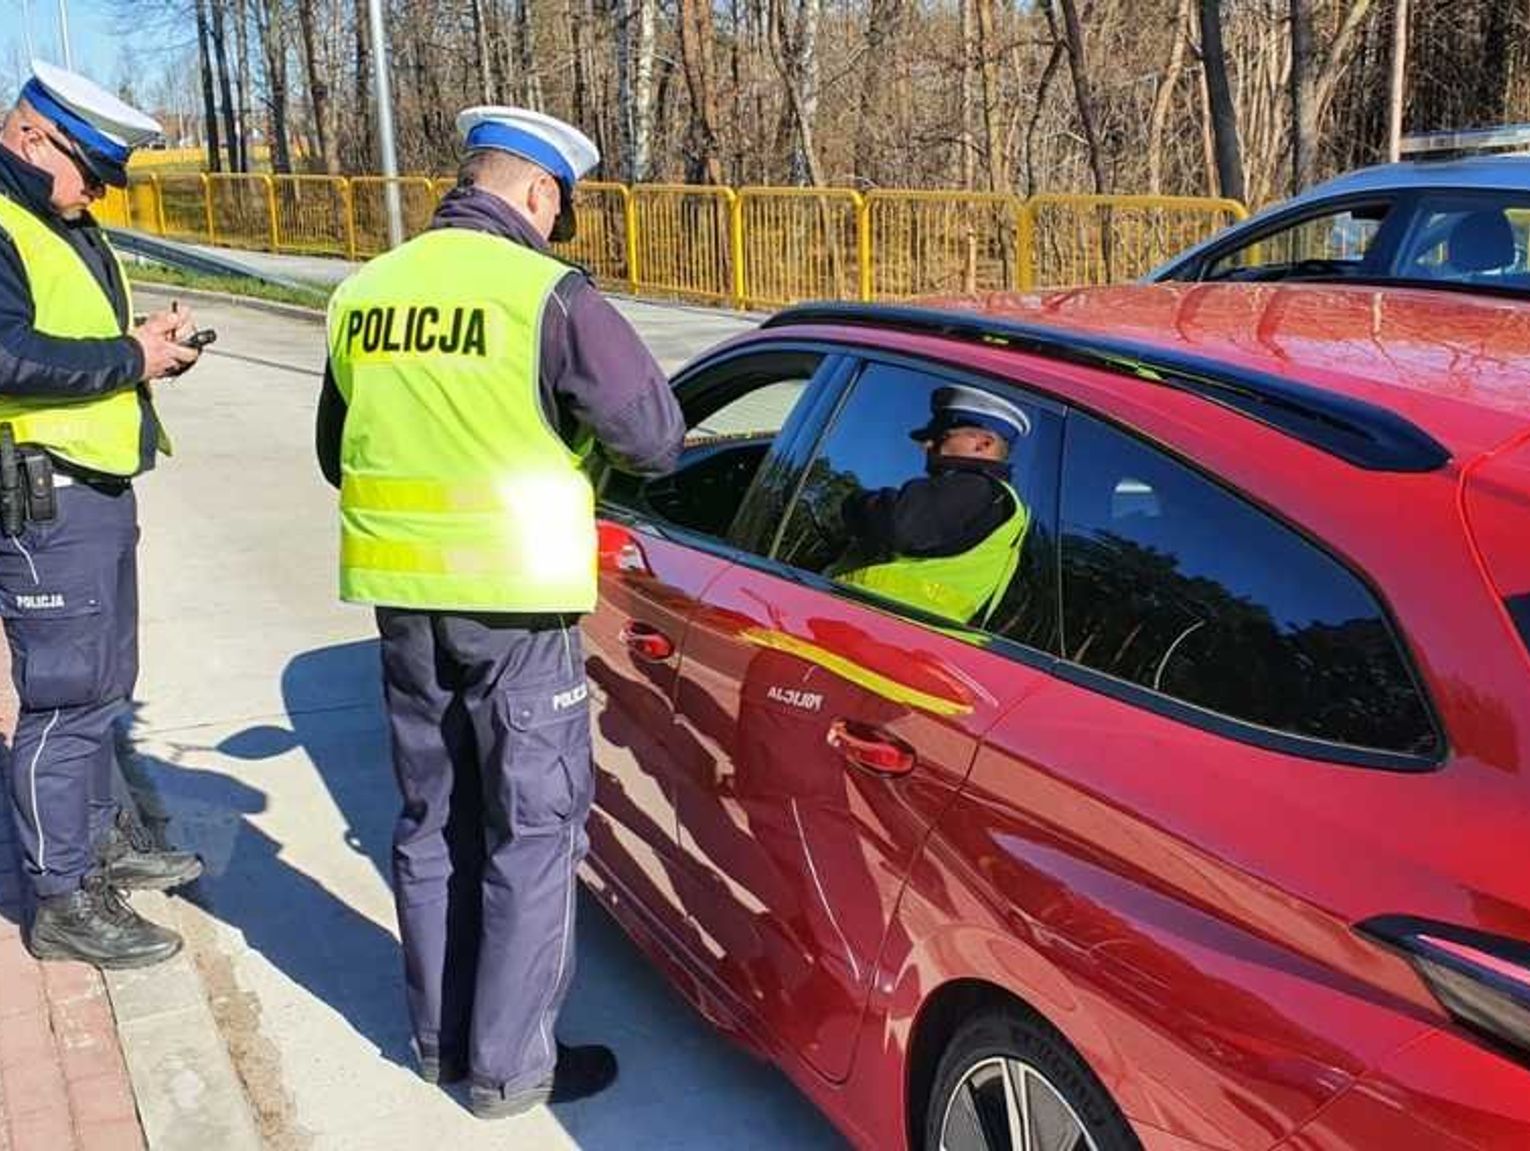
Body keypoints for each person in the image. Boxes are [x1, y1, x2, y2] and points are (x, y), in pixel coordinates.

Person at [316, 106, 684, 1119]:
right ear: (538, 194)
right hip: (518, 610)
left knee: (435, 819)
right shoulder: (546, 295)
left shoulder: (367, 292)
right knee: (532, 830)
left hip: (405, 607)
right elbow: (654, 436)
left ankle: (439, 1043)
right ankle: (512, 1069)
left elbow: (332, 450)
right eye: (558, 204)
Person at [0, 61, 206, 970]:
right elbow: (10, 356)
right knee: (63, 699)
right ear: (30, 135)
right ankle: (61, 897)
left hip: (94, 487)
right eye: (90, 167)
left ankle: (99, 848)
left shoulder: (54, 215)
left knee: (104, 686)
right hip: (43, 495)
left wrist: (150, 351)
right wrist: (130, 357)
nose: (98, 189)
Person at [835, 384, 1031, 625]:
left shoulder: (972, 487)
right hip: (908, 635)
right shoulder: (1005, 505)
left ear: (983, 444)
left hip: (876, 625)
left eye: (941, 435)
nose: (926, 446)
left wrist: (852, 502)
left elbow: (896, 523)